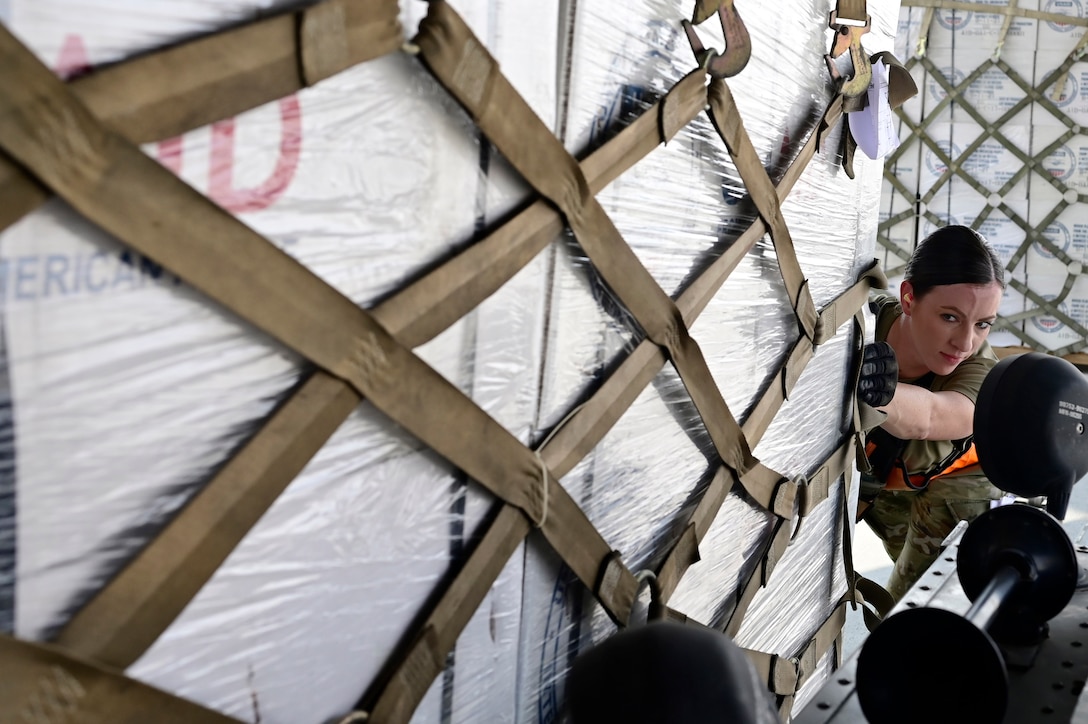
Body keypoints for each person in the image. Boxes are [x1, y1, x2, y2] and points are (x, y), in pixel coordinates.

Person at [858, 224, 1006, 602]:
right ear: (908, 299)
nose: (966, 342)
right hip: (888, 484)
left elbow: (930, 417)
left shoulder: (979, 370)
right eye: (950, 317)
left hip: (958, 490)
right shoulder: (861, 324)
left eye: (983, 324)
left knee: (917, 608)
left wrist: (871, 390)